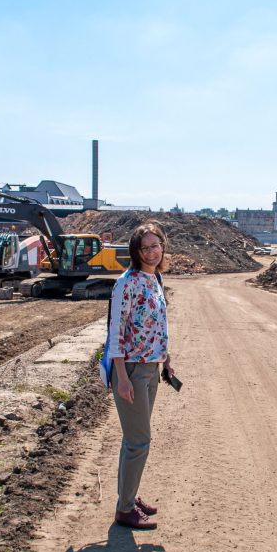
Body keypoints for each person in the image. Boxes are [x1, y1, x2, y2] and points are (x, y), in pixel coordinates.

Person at [106, 221, 174, 529]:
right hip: (131, 369)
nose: (152, 251)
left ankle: (129, 497)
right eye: (145, 247)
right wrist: (120, 377)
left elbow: (159, 325)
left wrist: (166, 360)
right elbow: (116, 332)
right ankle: (124, 509)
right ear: (136, 251)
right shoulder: (127, 282)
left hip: (151, 367)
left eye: (155, 245)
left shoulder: (155, 278)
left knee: (133, 441)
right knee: (139, 441)